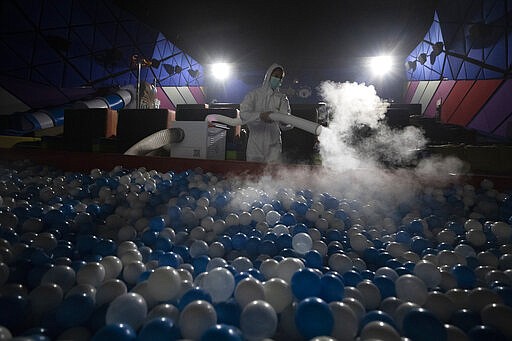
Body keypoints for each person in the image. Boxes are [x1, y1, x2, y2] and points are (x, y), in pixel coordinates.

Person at [239, 63, 293, 163]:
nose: (278, 79)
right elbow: (243, 114)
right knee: (252, 174)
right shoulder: (254, 95)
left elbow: (287, 120)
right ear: (268, 76)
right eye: (276, 76)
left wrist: (285, 122)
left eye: (280, 78)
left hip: (273, 144)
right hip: (255, 144)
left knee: (273, 174)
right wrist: (260, 116)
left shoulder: (282, 98)